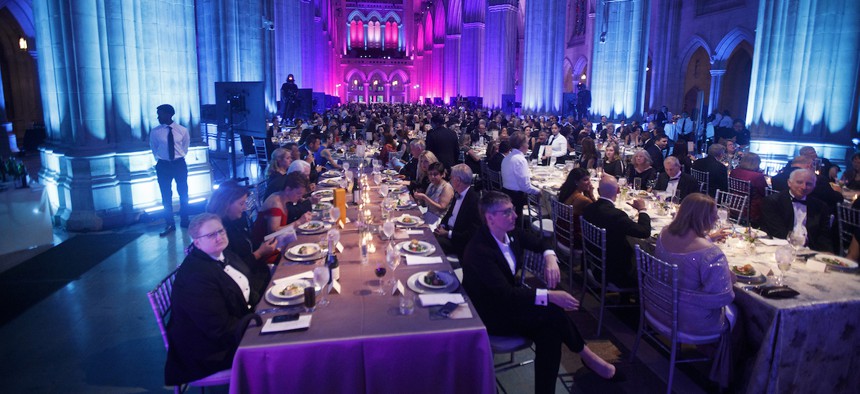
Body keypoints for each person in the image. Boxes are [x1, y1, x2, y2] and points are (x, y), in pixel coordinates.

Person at [462, 191, 617, 394]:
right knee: (553, 312)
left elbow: (541, 242)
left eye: (513, 210)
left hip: (509, 303)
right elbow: (505, 295)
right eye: (508, 212)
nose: (516, 215)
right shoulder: (479, 251)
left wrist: (550, 257)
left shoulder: (511, 233)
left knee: (550, 331)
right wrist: (550, 295)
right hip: (489, 314)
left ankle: (570, 372)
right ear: (490, 217)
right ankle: (588, 356)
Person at [165, 213, 266, 386]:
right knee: (276, 349)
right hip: (208, 351)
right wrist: (259, 321)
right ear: (197, 242)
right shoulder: (197, 277)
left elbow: (247, 288)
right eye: (211, 235)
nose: (219, 237)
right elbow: (219, 328)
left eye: (221, 231)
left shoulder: (225, 254)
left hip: (231, 329)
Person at [654, 193, 736, 387]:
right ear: (703, 218)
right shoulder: (710, 253)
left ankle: (708, 353)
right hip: (686, 319)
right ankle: (724, 372)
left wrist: (708, 238)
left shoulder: (665, 232)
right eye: (714, 215)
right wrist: (731, 278)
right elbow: (722, 297)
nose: (717, 218)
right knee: (741, 313)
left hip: (658, 304)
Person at [581, 176, 651, 288]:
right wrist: (642, 210)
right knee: (647, 262)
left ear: (598, 191)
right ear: (618, 191)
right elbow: (645, 232)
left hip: (594, 261)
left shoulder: (589, 208)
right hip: (614, 272)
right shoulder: (617, 215)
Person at [206, 181, 278, 284]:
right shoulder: (218, 234)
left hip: (257, 273)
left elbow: (249, 243)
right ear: (226, 204)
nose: (244, 208)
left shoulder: (236, 220)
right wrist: (260, 253)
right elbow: (233, 270)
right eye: (241, 203)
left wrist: (266, 244)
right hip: (247, 283)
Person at [761, 169, 833, 252]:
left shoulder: (820, 206)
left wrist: (827, 253)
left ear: (814, 186)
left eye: (809, 184)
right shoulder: (773, 201)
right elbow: (777, 231)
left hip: (809, 251)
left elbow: (824, 235)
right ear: (789, 183)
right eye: (799, 182)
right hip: (780, 247)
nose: (804, 187)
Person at [150, 104, 190, 236]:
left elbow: (185, 147)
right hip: (163, 165)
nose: (158, 117)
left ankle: (185, 219)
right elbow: (154, 148)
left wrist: (177, 158)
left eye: (160, 114)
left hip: (179, 164)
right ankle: (170, 223)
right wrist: (163, 159)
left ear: (168, 114)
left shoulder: (182, 130)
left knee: (183, 193)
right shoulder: (155, 132)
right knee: (166, 195)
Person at [251, 172, 312, 248]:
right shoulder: (276, 203)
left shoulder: (281, 197)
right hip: (267, 250)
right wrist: (298, 222)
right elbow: (274, 232)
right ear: (288, 189)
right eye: (298, 193)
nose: (300, 197)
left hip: (278, 244)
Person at [434, 164, 481, 261]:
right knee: (427, 236)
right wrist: (442, 225)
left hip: (458, 242)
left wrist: (448, 233)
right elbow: (449, 215)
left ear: (458, 180)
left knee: (432, 245)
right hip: (448, 233)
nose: (450, 180)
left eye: (451, 178)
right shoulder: (458, 193)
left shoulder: (474, 201)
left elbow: (471, 234)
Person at [501, 132, 542, 224]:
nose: (528, 145)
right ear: (522, 145)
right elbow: (525, 187)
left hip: (505, 193)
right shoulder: (520, 160)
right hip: (516, 198)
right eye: (527, 143)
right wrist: (539, 191)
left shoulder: (507, 157)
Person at [556, 168, 595, 249]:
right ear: (576, 182)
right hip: (572, 240)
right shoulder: (583, 199)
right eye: (585, 180)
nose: (589, 183)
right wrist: (591, 194)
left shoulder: (566, 192)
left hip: (560, 233)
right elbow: (596, 211)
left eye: (589, 179)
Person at [728, 152, 768, 227]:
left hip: (734, 203)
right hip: (750, 209)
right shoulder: (757, 176)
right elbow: (764, 192)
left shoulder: (734, 171)